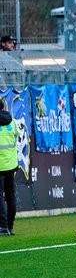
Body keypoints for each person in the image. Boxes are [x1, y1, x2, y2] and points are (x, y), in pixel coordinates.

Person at [0, 99, 19, 235]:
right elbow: (17, 137)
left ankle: (3, 226)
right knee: (10, 196)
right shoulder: (12, 121)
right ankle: (10, 226)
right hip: (11, 165)